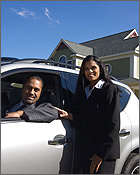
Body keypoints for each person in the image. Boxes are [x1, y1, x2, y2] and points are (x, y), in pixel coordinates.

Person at [54, 55, 120, 174]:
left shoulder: (109, 89)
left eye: (93, 68)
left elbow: (113, 125)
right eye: (86, 69)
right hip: (88, 150)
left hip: (103, 154)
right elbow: (88, 120)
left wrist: (100, 154)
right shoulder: (85, 91)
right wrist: (70, 116)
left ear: (100, 68)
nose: (90, 71)